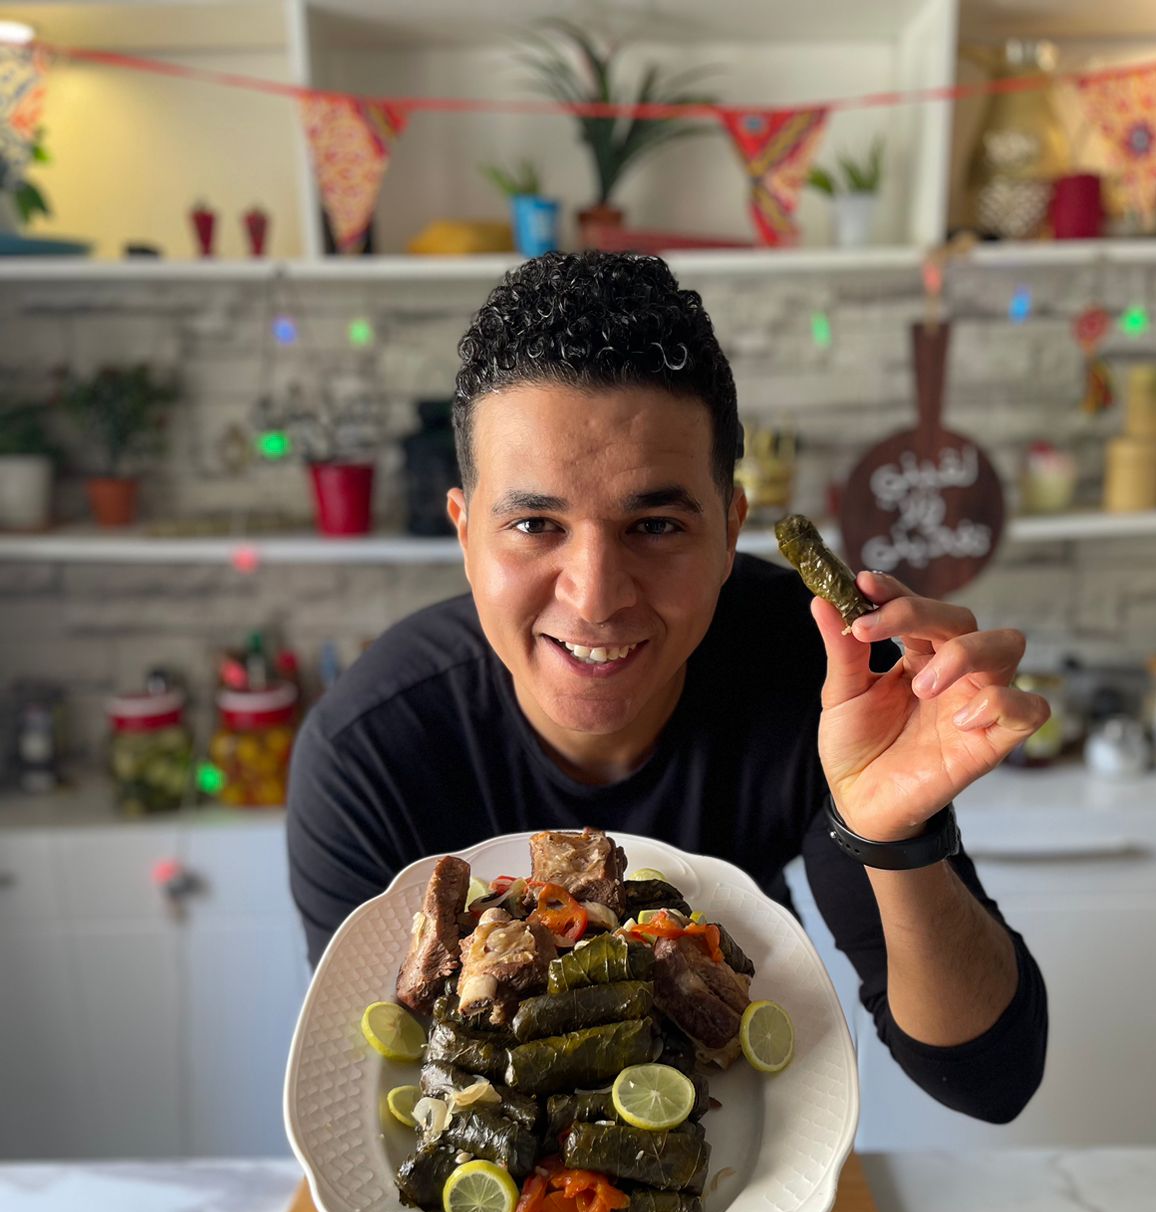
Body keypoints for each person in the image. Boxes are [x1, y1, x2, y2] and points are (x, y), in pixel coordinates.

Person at [288, 251, 1048, 1124]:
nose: (596, 596)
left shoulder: (827, 678)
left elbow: (989, 1081)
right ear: (466, 537)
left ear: (728, 532)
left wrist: (893, 834)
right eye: (534, 523)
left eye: (654, 525)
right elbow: (377, 1087)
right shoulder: (366, 752)